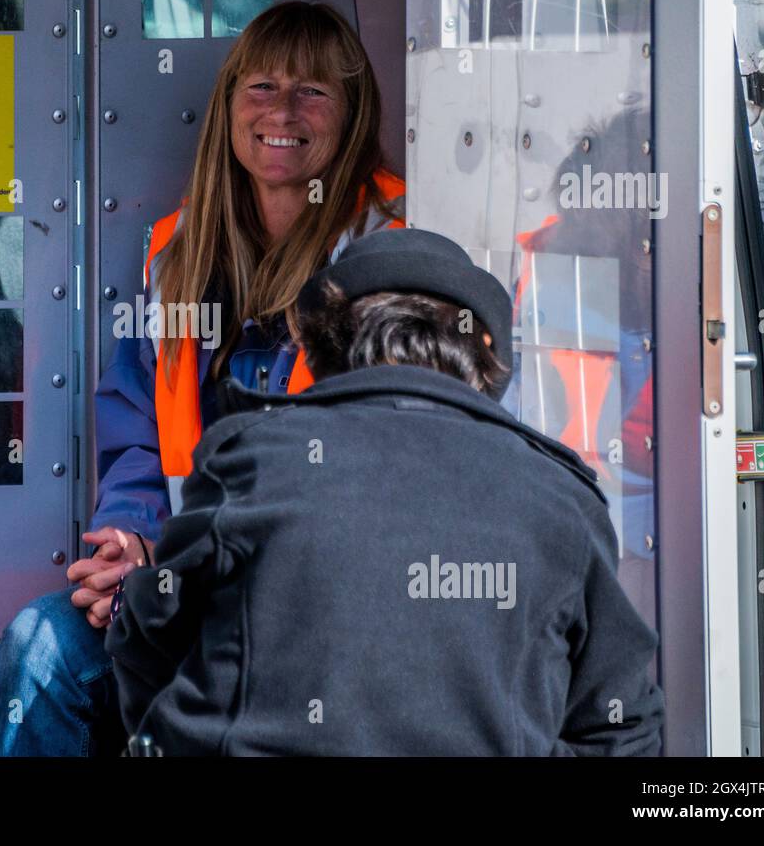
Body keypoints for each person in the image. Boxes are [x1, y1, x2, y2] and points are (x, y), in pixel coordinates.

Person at [0, 0, 406, 755]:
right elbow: (138, 437)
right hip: (184, 591)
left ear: (352, 115)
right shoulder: (173, 255)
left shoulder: (392, 252)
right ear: (229, 105)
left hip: (322, 611)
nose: (282, 110)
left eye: (313, 91)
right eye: (262, 87)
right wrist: (128, 541)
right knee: (39, 646)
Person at [105, 227, 665, 755]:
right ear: (484, 362)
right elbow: (619, 723)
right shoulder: (562, 497)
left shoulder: (249, 458)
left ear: (324, 351)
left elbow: (152, 631)